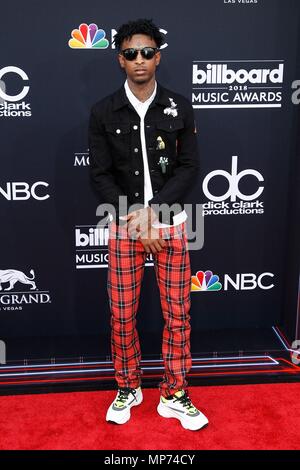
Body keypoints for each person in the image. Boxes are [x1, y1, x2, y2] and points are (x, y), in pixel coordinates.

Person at [88, 18, 208, 431]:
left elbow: (189, 166)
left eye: (147, 52)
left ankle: (174, 392)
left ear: (159, 56)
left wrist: (154, 213)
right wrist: (135, 221)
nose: (139, 60)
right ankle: (129, 386)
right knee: (122, 314)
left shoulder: (179, 104)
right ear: (119, 59)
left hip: (173, 224)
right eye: (130, 53)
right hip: (124, 224)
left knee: (178, 314)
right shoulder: (103, 111)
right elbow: (99, 175)